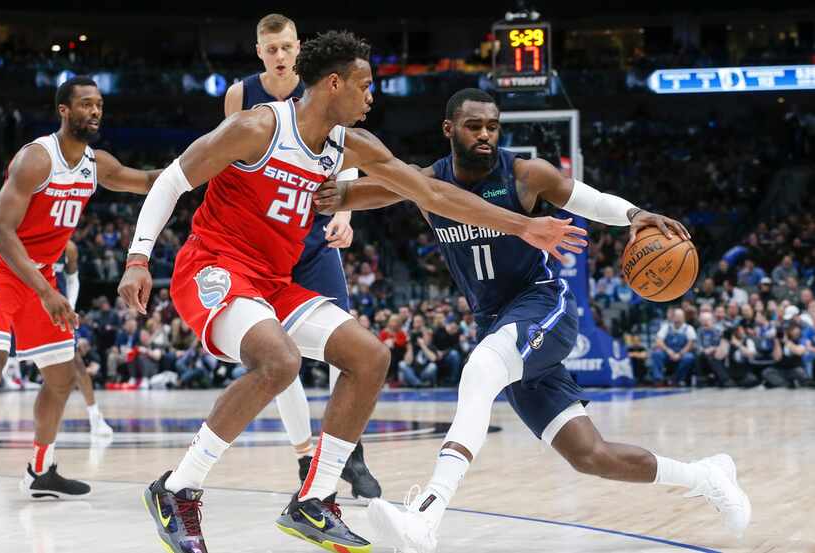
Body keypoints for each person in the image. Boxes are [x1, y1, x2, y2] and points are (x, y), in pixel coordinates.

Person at [118, 33, 584, 553]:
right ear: (334, 83)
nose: (371, 97)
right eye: (364, 85)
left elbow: (433, 193)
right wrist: (138, 259)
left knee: (369, 357)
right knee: (280, 362)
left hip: (274, 281)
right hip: (214, 266)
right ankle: (177, 488)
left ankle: (314, 500)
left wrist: (521, 226)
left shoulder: (350, 146)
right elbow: (172, 181)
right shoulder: (258, 127)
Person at [314, 88, 750, 552]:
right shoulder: (426, 183)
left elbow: (588, 199)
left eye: (492, 127)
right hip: (498, 326)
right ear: (449, 130)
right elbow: (343, 192)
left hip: (542, 306)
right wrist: (310, 171)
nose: (485, 135)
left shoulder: (523, 174)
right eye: (473, 126)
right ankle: (706, 475)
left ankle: (426, 517)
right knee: (590, 455)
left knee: (480, 371)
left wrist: (636, 215)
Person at [225, 13, 380, 498]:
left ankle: (350, 455)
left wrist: (348, 212)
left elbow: (348, 149)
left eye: (286, 48)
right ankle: (302, 456)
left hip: (311, 233)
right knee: (277, 354)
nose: (279, 57)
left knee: (347, 342)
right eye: (270, 50)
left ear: (298, 48)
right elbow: (227, 159)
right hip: (260, 239)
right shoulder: (239, 96)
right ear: (259, 52)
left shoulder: (319, 90)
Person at [0, 76, 161, 498]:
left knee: (62, 377)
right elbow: (2, 231)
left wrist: (211, 162)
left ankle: (41, 470)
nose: (95, 111)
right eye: (85, 104)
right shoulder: (36, 158)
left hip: (41, 275)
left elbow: (147, 181)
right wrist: (47, 292)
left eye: (99, 104)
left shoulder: (96, 164)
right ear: (64, 110)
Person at [54, 239, 113, 435]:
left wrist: (69, 307)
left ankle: (95, 417)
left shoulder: (68, 247)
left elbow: (72, 279)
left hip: (57, 311)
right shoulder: (24, 239)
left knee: (77, 363)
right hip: (24, 304)